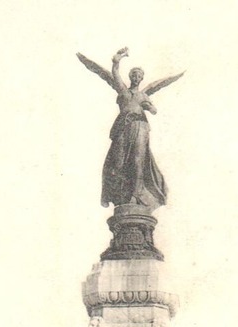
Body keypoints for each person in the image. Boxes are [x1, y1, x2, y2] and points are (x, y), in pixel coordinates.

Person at [77, 47, 183, 210]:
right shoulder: (123, 90)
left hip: (140, 127)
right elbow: (111, 74)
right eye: (134, 74)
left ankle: (135, 195)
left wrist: (150, 107)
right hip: (123, 127)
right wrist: (116, 61)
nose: (137, 77)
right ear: (130, 76)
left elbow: (154, 108)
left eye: (139, 75)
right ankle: (119, 196)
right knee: (117, 162)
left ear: (141, 79)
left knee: (138, 161)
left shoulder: (144, 95)